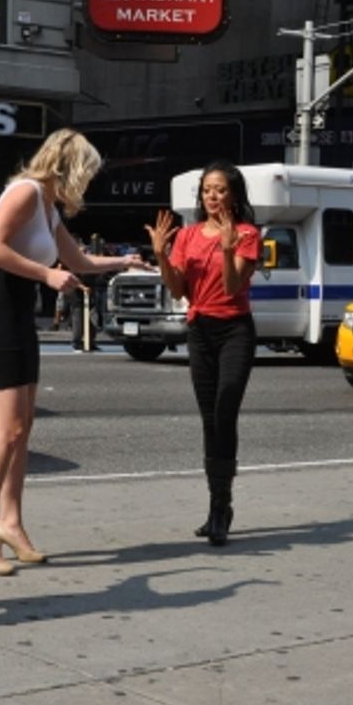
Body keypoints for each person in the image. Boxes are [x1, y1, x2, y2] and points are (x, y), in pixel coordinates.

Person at [0, 128, 145, 576]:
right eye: (86, 174)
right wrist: (46, 277)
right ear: (69, 167)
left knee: (21, 428)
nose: (86, 184)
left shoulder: (47, 207)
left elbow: (78, 261)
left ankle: (11, 522)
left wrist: (124, 261)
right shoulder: (25, 192)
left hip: (19, 316)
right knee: (6, 429)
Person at [146, 161, 261, 547]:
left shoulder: (247, 234)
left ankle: (221, 507)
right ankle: (217, 508)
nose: (213, 196)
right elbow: (179, 291)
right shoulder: (188, 235)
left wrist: (228, 251)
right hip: (200, 331)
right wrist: (162, 255)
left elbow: (231, 289)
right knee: (209, 419)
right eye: (207, 190)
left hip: (235, 331)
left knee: (224, 410)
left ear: (234, 194)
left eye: (221, 190)